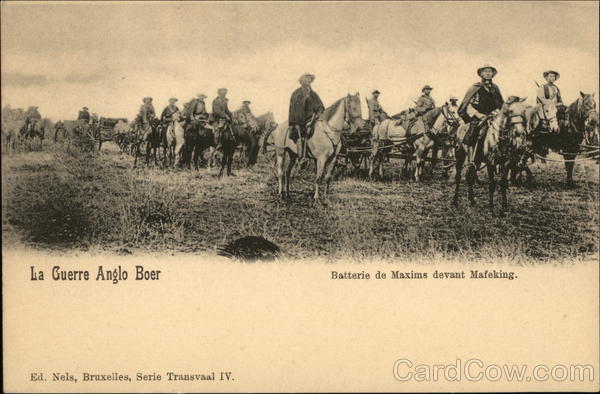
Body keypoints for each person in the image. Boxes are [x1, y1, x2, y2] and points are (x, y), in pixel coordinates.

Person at [458, 64, 504, 164]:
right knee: (473, 132)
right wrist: (477, 114)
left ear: (493, 74)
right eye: (485, 71)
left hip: (493, 116)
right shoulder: (475, 87)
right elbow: (468, 105)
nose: (488, 73)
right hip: (479, 116)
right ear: (481, 74)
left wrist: (497, 112)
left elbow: (500, 104)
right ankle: (471, 159)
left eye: (490, 71)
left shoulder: (495, 88)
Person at [288, 73, 324, 161]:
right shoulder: (296, 93)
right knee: (302, 134)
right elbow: (294, 109)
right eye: (306, 79)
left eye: (309, 79)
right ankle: (301, 156)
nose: (308, 80)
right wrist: (297, 123)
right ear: (302, 81)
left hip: (312, 119)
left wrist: (319, 112)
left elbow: (320, 105)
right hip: (299, 120)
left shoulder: (313, 93)